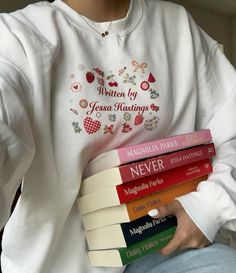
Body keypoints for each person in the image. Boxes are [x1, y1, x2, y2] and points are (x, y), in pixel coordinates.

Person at [0, 0, 236, 272]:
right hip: (61, 262)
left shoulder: (177, 26)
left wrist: (209, 206)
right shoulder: (18, 37)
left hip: (165, 245)